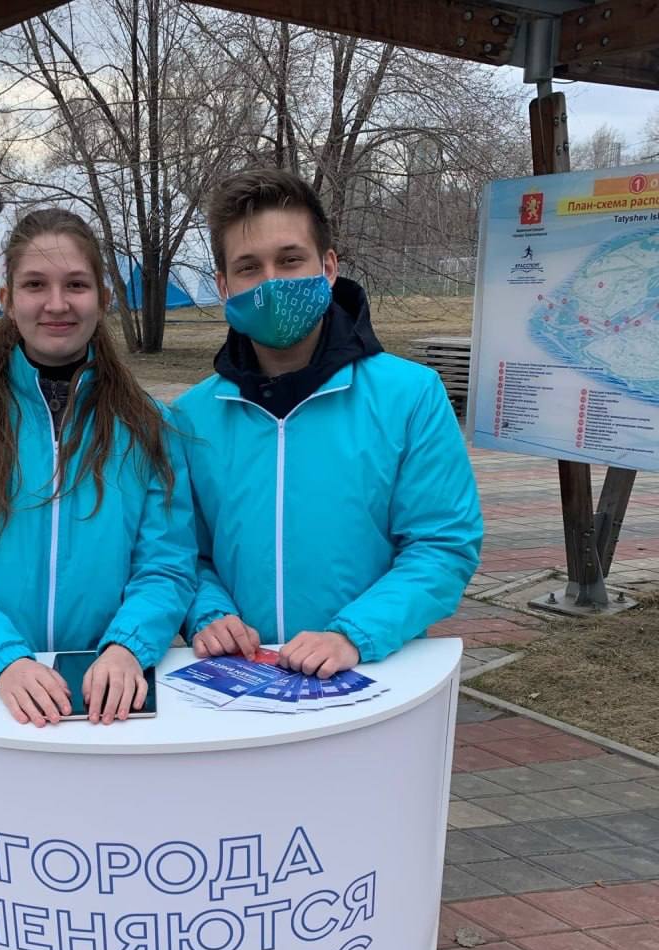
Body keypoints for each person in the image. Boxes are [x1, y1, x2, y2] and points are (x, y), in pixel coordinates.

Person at [173, 169, 483, 676]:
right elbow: (182, 550)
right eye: (249, 267)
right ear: (224, 286)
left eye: (290, 260)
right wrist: (208, 612)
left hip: (370, 673)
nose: (271, 282)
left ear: (329, 267)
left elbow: (442, 544)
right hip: (238, 676)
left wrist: (353, 634)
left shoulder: (410, 396)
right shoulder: (191, 417)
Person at [0, 208, 196, 727]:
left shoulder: (149, 422)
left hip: (111, 690)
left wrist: (128, 647)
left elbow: (166, 563)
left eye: (76, 284)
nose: (57, 304)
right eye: (35, 284)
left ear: (103, 298)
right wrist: (3, 658)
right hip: (0, 689)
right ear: (7, 298)